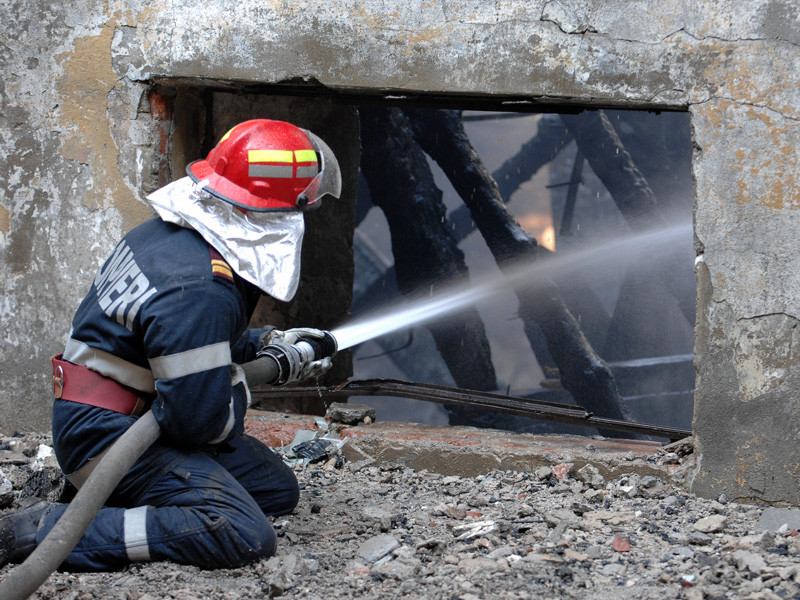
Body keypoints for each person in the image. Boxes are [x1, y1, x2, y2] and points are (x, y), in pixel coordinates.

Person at [0, 119, 342, 570]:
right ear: (276, 213)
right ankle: (45, 529)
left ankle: (121, 504)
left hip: (122, 411)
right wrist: (244, 380)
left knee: (275, 489)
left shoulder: (171, 238)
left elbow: (172, 344)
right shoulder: (202, 287)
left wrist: (268, 344)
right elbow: (197, 421)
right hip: (108, 437)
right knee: (239, 531)